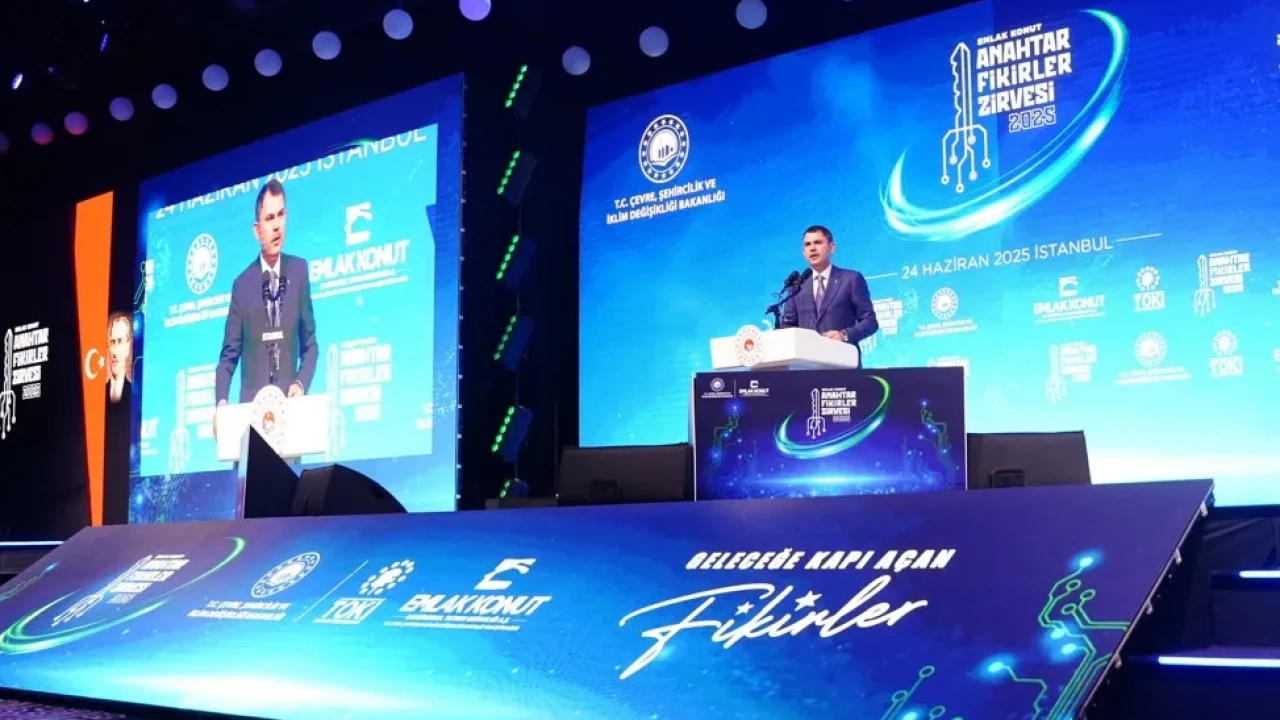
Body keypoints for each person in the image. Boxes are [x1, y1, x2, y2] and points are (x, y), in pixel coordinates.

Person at [214, 179, 317, 430]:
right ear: (257, 229)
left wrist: (300, 383)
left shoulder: (299, 271)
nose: (277, 225)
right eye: (270, 218)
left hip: (289, 417)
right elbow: (228, 357)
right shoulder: (242, 285)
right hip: (252, 420)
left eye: (281, 215)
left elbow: (310, 345)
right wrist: (221, 403)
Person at [779, 225, 879, 344]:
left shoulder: (851, 279)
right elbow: (788, 326)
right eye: (808, 244)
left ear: (831, 247)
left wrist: (844, 335)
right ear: (803, 252)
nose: (812, 248)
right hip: (806, 355)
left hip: (841, 353)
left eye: (818, 242)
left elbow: (870, 322)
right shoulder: (797, 286)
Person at [106, 312, 133, 404]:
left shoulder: (133, 394)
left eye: (120, 341)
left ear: (127, 346)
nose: (115, 352)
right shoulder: (98, 394)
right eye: (112, 342)